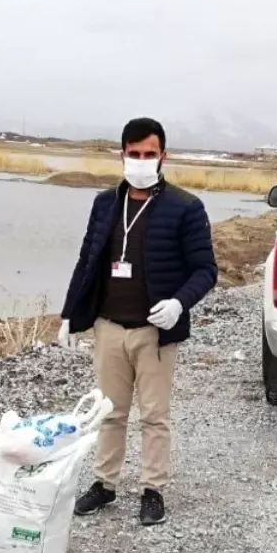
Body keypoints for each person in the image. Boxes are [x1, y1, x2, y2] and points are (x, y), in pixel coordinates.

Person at [57, 117, 218, 527]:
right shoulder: (105, 203)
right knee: (109, 413)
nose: (142, 161)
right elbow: (87, 261)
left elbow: (205, 270)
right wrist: (70, 315)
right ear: (123, 154)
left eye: (150, 154)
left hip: (156, 333)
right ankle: (105, 484)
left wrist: (180, 304)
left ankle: (153, 489)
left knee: (154, 415)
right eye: (135, 154)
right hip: (109, 328)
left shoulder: (185, 207)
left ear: (163, 155)